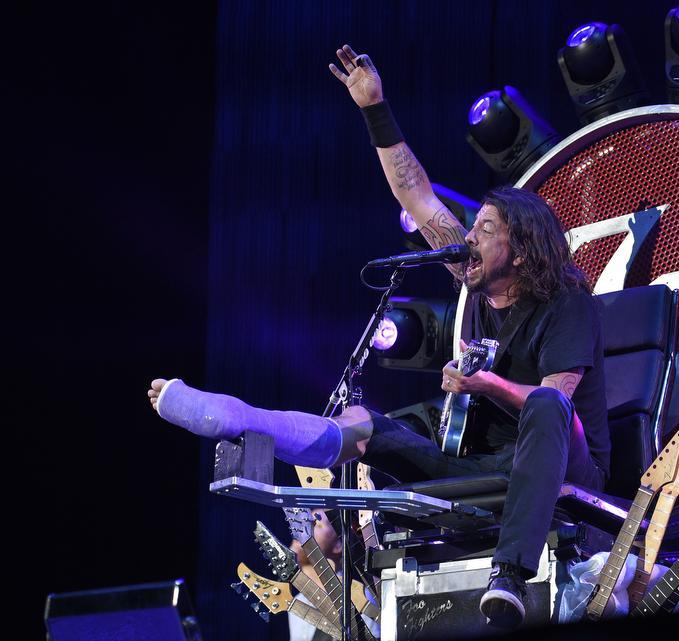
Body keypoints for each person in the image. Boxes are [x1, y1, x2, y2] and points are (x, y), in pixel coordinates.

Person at [147, 43, 609, 629]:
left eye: (486, 229)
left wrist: (486, 384)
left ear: (520, 249)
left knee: (543, 402)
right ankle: (243, 419)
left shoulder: (566, 301)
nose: (469, 236)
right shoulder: (470, 277)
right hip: (485, 465)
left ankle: (509, 575)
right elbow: (414, 192)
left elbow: (560, 407)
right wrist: (374, 108)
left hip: (567, 467)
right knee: (367, 423)